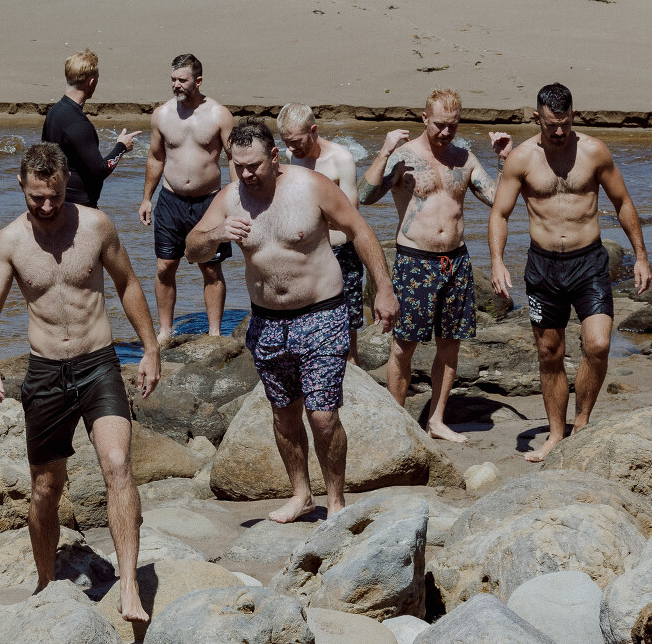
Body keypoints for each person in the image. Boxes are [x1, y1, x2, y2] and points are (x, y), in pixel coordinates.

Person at [0, 143, 163, 624]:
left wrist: (150, 348)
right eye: (36, 197)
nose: (45, 205)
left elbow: (127, 283)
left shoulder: (95, 226)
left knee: (117, 464)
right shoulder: (9, 242)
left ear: (66, 185)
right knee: (46, 488)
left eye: (54, 196)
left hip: (98, 363)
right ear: (21, 185)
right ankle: (44, 583)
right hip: (45, 373)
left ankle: (128, 585)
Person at [186, 119, 396, 523]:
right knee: (283, 415)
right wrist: (216, 234)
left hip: (322, 314)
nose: (246, 174)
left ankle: (336, 502)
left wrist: (384, 289)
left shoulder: (310, 186)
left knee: (322, 416)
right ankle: (301, 495)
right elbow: (192, 249)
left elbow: (359, 230)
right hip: (266, 322)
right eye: (238, 166)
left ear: (274, 156)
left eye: (254, 165)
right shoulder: (229, 199)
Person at [489, 83, 652, 461]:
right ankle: (555, 435)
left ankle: (581, 424)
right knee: (550, 352)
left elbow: (622, 202)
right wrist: (497, 261)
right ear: (537, 118)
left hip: (588, 263)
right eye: (551, 125)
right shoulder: (521, 159)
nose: (560, 132)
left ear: (573, 115)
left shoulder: (594, 151)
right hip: (543, 268)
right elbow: (500, 213)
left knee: (598, 344)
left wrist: (641, 256)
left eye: (565, 123)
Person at [360, 89, 509, 445]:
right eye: (439, 124)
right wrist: (384, 151)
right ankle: (398, 422)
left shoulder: (465, 159)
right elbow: (364, 197)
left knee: (450, 345)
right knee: (404, 347)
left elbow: (499, 200)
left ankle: (437, 421)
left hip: (456, 261)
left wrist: (504, 160)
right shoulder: (403, 158)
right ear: (425, 119)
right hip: (415, 261)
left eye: (452, 125)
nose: (445, 132)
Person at [137, 54, 234, 345]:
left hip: (210, 202)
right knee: (165, 267)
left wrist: (236, 198)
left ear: (198, 81)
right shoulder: (162, 115)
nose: (176, 85)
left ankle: (214, 334)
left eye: (182, 80)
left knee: (211, 268)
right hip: (171, 200)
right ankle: (165, 332)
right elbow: (156, 158)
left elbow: (234, 158)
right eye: (173, 79)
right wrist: (146, 198)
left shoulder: (219, 114)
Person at [279, 104, 365, 356]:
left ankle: (352, 369)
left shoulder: (341, 159)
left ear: (313, 130)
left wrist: (309, 217)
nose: (292, 148)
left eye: (296, 141)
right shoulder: (292, 156)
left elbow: (350, 215)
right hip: (306, 253)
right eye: (286, 142)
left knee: (347, 324)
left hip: (340, 253)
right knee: (307, 320)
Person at [40, 49, 137, 209]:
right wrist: (122, 146)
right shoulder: (78, 123)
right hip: (78, 208)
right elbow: (101, 170)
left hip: (57, 201)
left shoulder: (54, 111)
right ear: (91, 82)